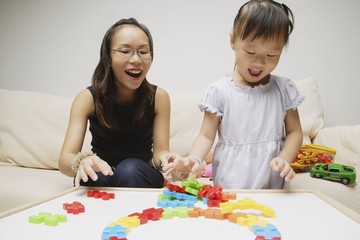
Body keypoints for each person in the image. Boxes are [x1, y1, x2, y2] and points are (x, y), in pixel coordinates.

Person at [163, 0, 304, 189]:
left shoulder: (283, 89)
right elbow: (206, 135)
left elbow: (295, 132)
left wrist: (284, 159)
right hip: (231, 180)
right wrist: (194, 158)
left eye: (271, 55)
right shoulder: (220, 91)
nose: (259, 62)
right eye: (250, 51)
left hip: (273, 182)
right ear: (233, 41)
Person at [59, 18, 181, 188]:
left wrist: (168, 162)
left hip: (140, 173)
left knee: (129, 169)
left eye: (144, 52)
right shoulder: (87, 99)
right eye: (125, 51)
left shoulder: (159, 97)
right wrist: (83, 160)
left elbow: (160, 153)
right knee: (98, 176)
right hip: (103, 173)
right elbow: (65, 159)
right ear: (107, 57)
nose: (137, 60)